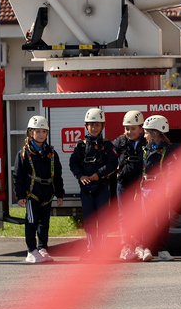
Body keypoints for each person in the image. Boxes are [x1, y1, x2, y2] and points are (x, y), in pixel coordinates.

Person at [13, 116, 64, 263]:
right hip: (31, 194)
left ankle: (42, 248)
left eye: (43, 131)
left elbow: (57, 175)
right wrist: (20, 195)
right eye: (37, 131)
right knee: (32, 221)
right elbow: (18, 176)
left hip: (47, 194)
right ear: (30, 133)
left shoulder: (52, 154)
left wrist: (59, 194)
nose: (41, 135)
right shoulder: (23, 154)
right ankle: (31, 250)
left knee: (44, 222)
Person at [68, 108, 117, 257]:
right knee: (89, 218)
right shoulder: (80, 146)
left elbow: (113, 164)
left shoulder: (108, 145)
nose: (94, 128)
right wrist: (81, 176)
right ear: (86, 126)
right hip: (86, 189)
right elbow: (73, 163)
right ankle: (90, 247)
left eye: (97, 125)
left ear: (102, 126)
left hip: (102, 187)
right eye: (91, 125)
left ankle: (102, 248)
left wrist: (99, 175)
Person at [111, 110, 147, 261]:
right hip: (123, 184)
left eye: (133, 128)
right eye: (127, 128)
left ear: (141, 129)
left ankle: (140, 245)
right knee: (123, 216)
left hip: (140, 185)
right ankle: (126, 247)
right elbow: (108, 157)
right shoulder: (119, 142)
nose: (129, 132)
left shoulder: (146, 142)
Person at [139, 115, 174, 262]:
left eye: (146, 132)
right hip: (146, 189)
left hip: (160, 189)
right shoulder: (145, 149)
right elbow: (142, 170)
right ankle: (147, 249)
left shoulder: (168, 150)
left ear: (155, 133)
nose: (144, 135)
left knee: (163, 220)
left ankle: (163, 251)